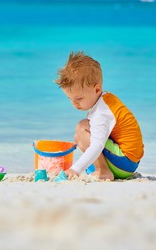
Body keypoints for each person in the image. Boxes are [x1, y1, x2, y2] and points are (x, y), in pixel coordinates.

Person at [55, 51, 144, 180]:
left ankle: (103, 171)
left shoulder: (102, 112)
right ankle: (101, 168)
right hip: (128, 163)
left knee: (82, 127)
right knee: (79, 136)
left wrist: (75, 169)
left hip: (125, 162)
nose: (74, 104)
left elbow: (97, 145)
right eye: (69, 98)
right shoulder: (105, 99)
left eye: (79, 98)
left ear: (97, 89)